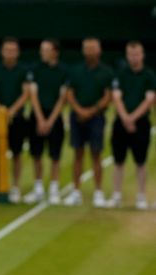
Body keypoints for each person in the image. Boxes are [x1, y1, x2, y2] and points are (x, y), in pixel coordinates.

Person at [64, 37, 113, 207]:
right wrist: (80, 110)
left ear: (99, 51)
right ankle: (76, 192)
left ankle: (98, 192)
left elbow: (108, 97)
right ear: (83, 51)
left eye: (93, 48)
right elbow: (69, 94)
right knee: (77, 154)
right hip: (77, 117)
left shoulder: (106, 72)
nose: (90, 51)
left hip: (97, 118)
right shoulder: (75, 70)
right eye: (87, 48)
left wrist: (91, 111)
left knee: (96, 154)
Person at [107, 41, 156, 210]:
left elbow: (149, 100)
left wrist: (132, 118)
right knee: (118, 161)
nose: (134, 57)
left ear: (142, 55)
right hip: (121, 123)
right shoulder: (120, 74)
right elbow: (116, 97)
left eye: (136, 54)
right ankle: (116, 195)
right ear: (127, 55)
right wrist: (125, 118)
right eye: (130, 54)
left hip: (141, 124)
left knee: (141, 162)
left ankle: (141, 197)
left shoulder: (149, 76)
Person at [25, 38, 68, 205]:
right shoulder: (34, 70)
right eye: (42, 49)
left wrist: (50, 120)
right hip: (37, 115)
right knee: (37, 154)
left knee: (55, 155)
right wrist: (40, 118)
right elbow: (32, 95)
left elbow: (63, 98)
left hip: (55, 117)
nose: (42, 52)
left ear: (55, 51)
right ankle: (38, 188)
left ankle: (54, 189)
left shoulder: (64, 71)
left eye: (46, 49)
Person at [0, 37, 29, 203]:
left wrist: (12, 111)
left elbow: (26, 93)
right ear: (2, 52)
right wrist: (1, 111)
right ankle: (1, 185)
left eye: (13, 50)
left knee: (17, 153)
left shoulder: (24, 71)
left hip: (17, 117)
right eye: (7, 50)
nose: (10, 53)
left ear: (18, 52)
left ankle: (16, 186)